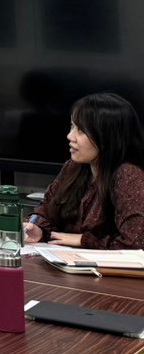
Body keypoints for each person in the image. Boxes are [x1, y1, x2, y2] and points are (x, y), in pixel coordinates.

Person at [24, 91, 144, 250]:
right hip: (63, 259)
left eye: (81, 130)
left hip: (105, 265)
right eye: (72, 126)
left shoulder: (129, 174)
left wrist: (83, 241)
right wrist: (38, 229)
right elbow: (46, 211)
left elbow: (136, 243)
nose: (70, 136)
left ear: (107, 136)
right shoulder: (74, 167)